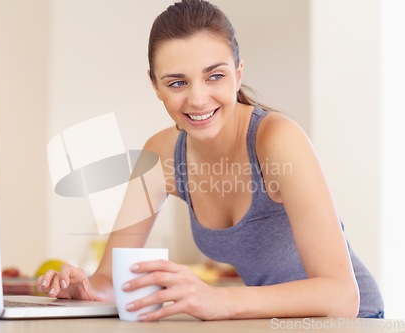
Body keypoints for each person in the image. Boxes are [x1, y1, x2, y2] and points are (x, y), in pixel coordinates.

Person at [37, 0, 384, 320]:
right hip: (274, 325)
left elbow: (341, 296)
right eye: (177, 83)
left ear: (238, 72)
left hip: (353, 323)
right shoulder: (161, 154)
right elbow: (109, 279)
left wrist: (219, 300)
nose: (198, 99)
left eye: (214, 76)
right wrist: (82, 288)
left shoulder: (277, 140)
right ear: (155, 86)